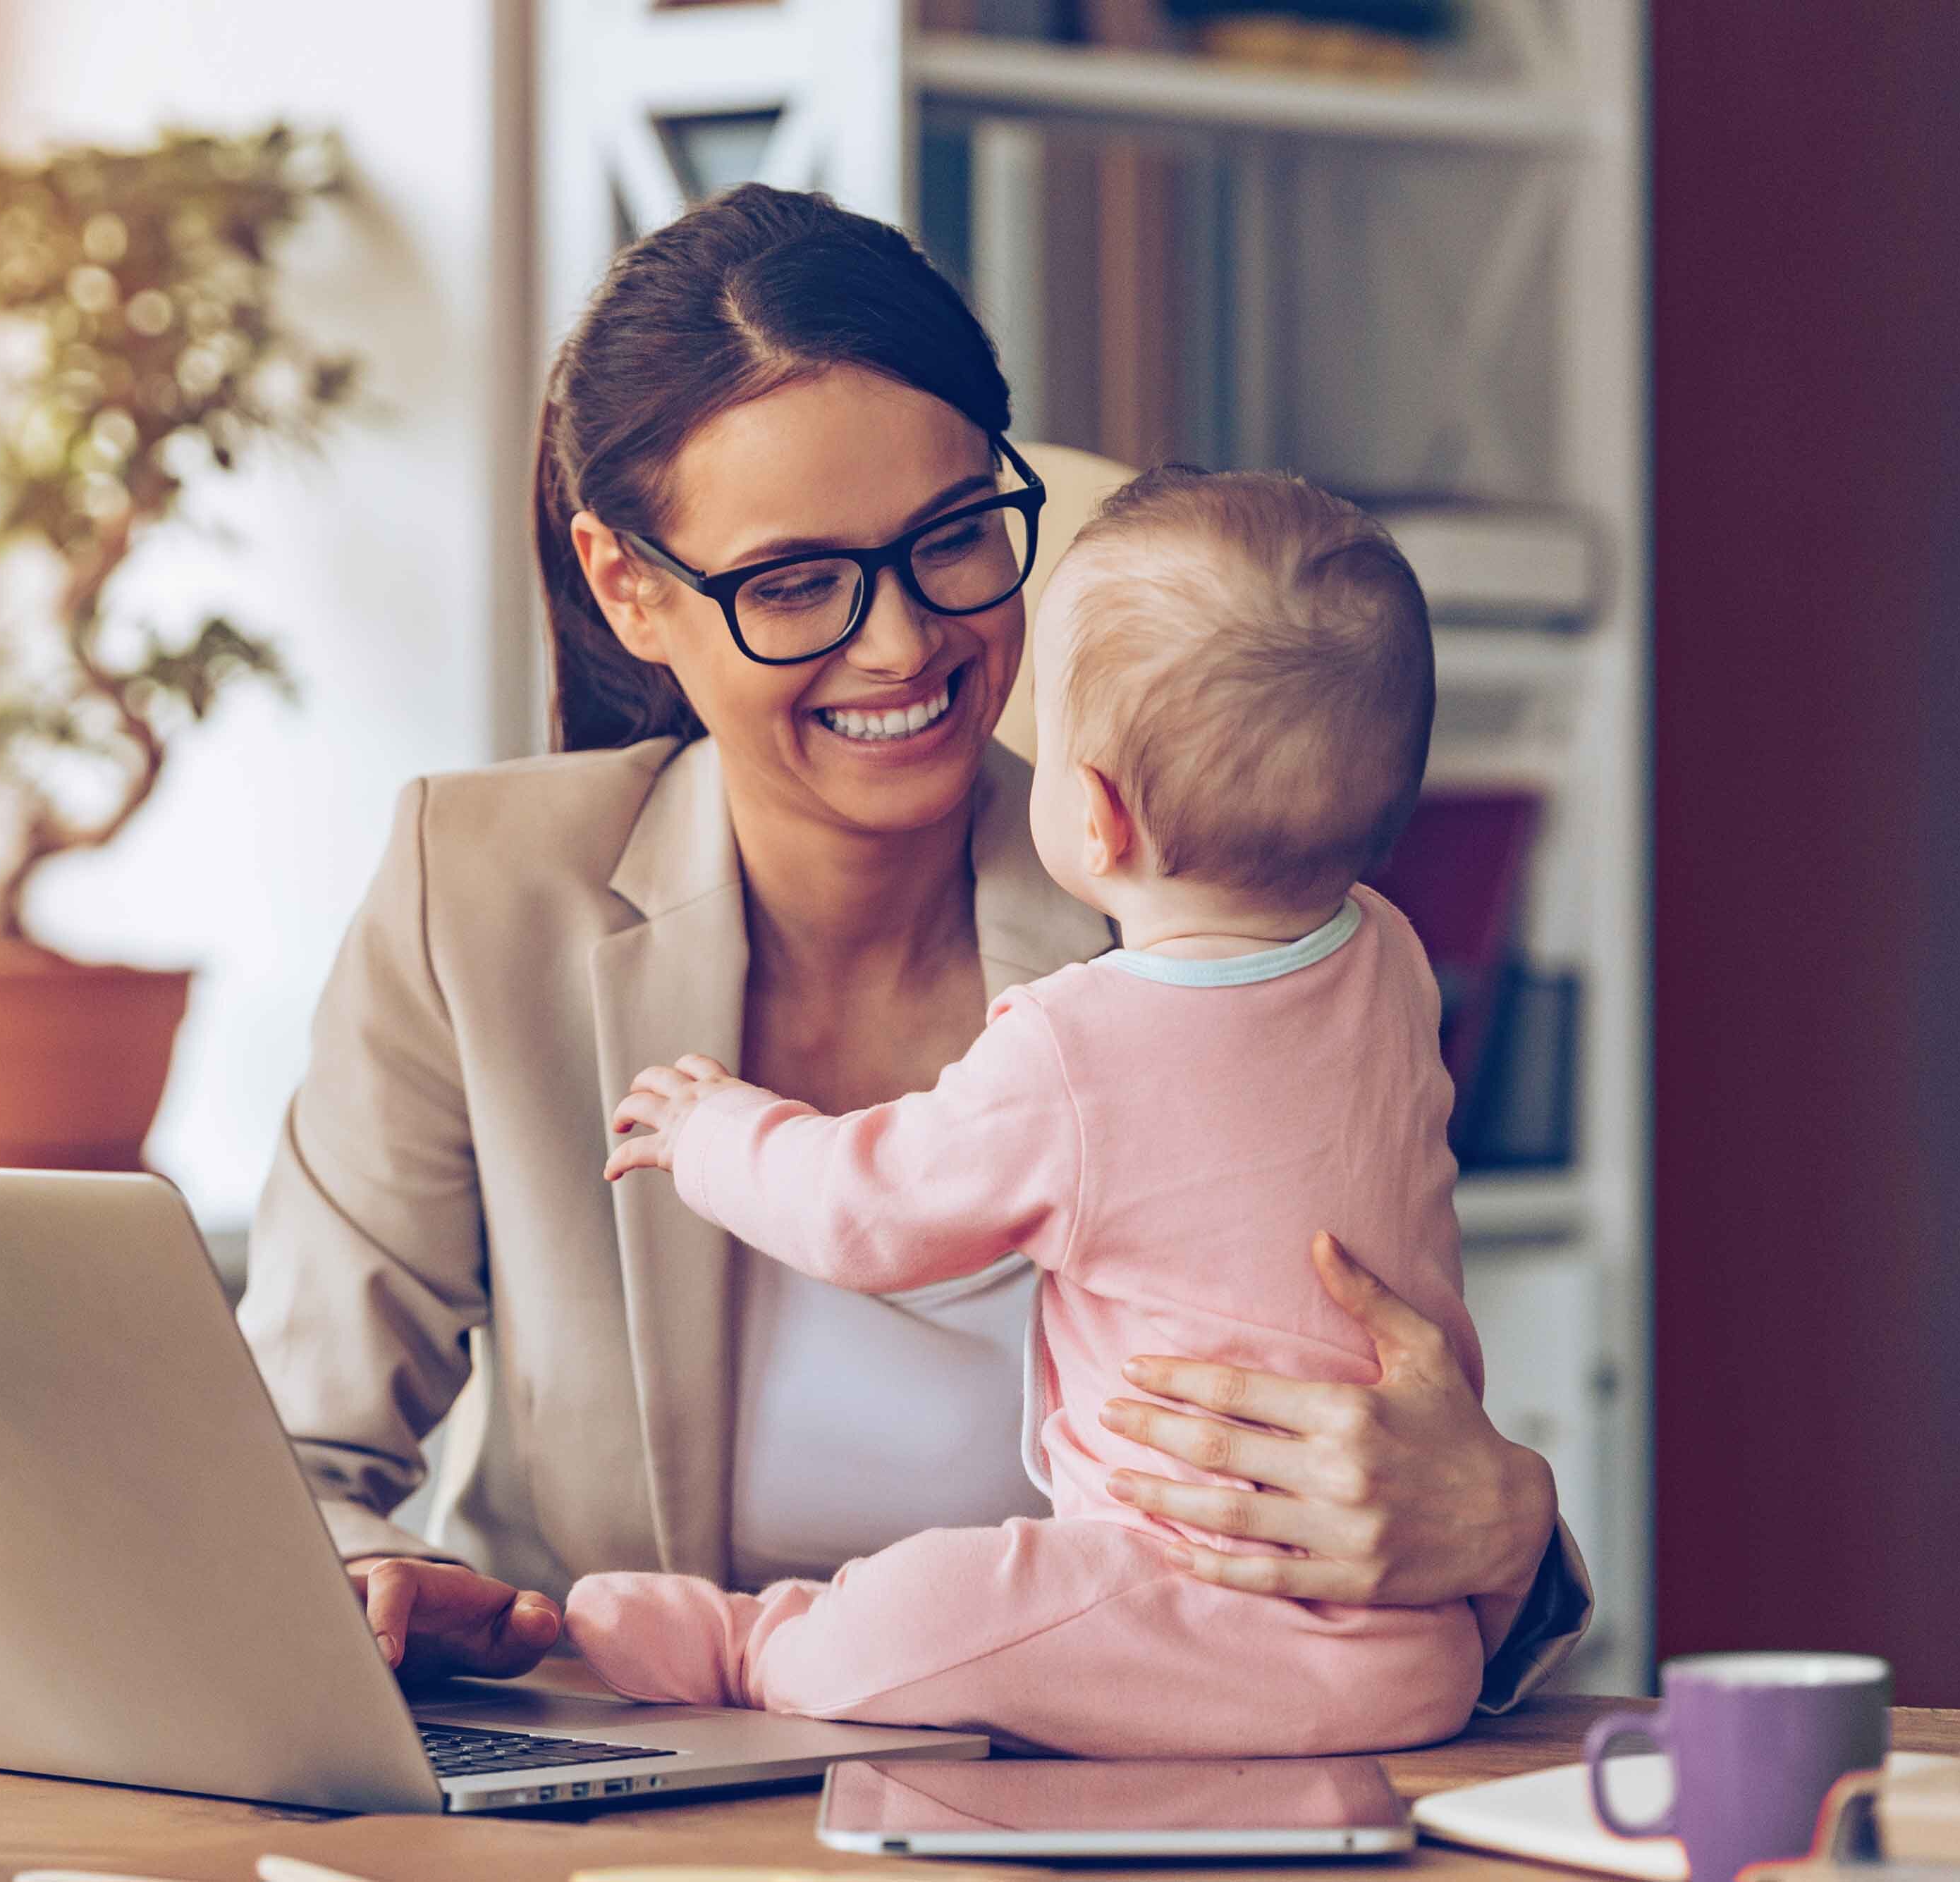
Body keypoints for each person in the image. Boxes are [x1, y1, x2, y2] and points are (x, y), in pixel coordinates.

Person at [237, 183, 1589, 1704]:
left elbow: (1387, 1399)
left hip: (1095, 1799)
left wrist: (1501, 1527)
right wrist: (373, 1588)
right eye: (795, 582)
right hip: (630, 1792)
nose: (901, 643)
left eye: (952, 539)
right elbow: (284, 1458)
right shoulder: (473, 894)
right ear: (630, 588)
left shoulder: (1205, 899)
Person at [567, 468, 1483, 1756]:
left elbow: (867, 1210)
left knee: (939, 1601)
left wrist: (710, 1129)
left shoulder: (1078, 1044)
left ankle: (753, 1643)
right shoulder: (1389, 960)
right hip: (1414, 1643)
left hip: (1188, 1594)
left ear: (1094, 814)